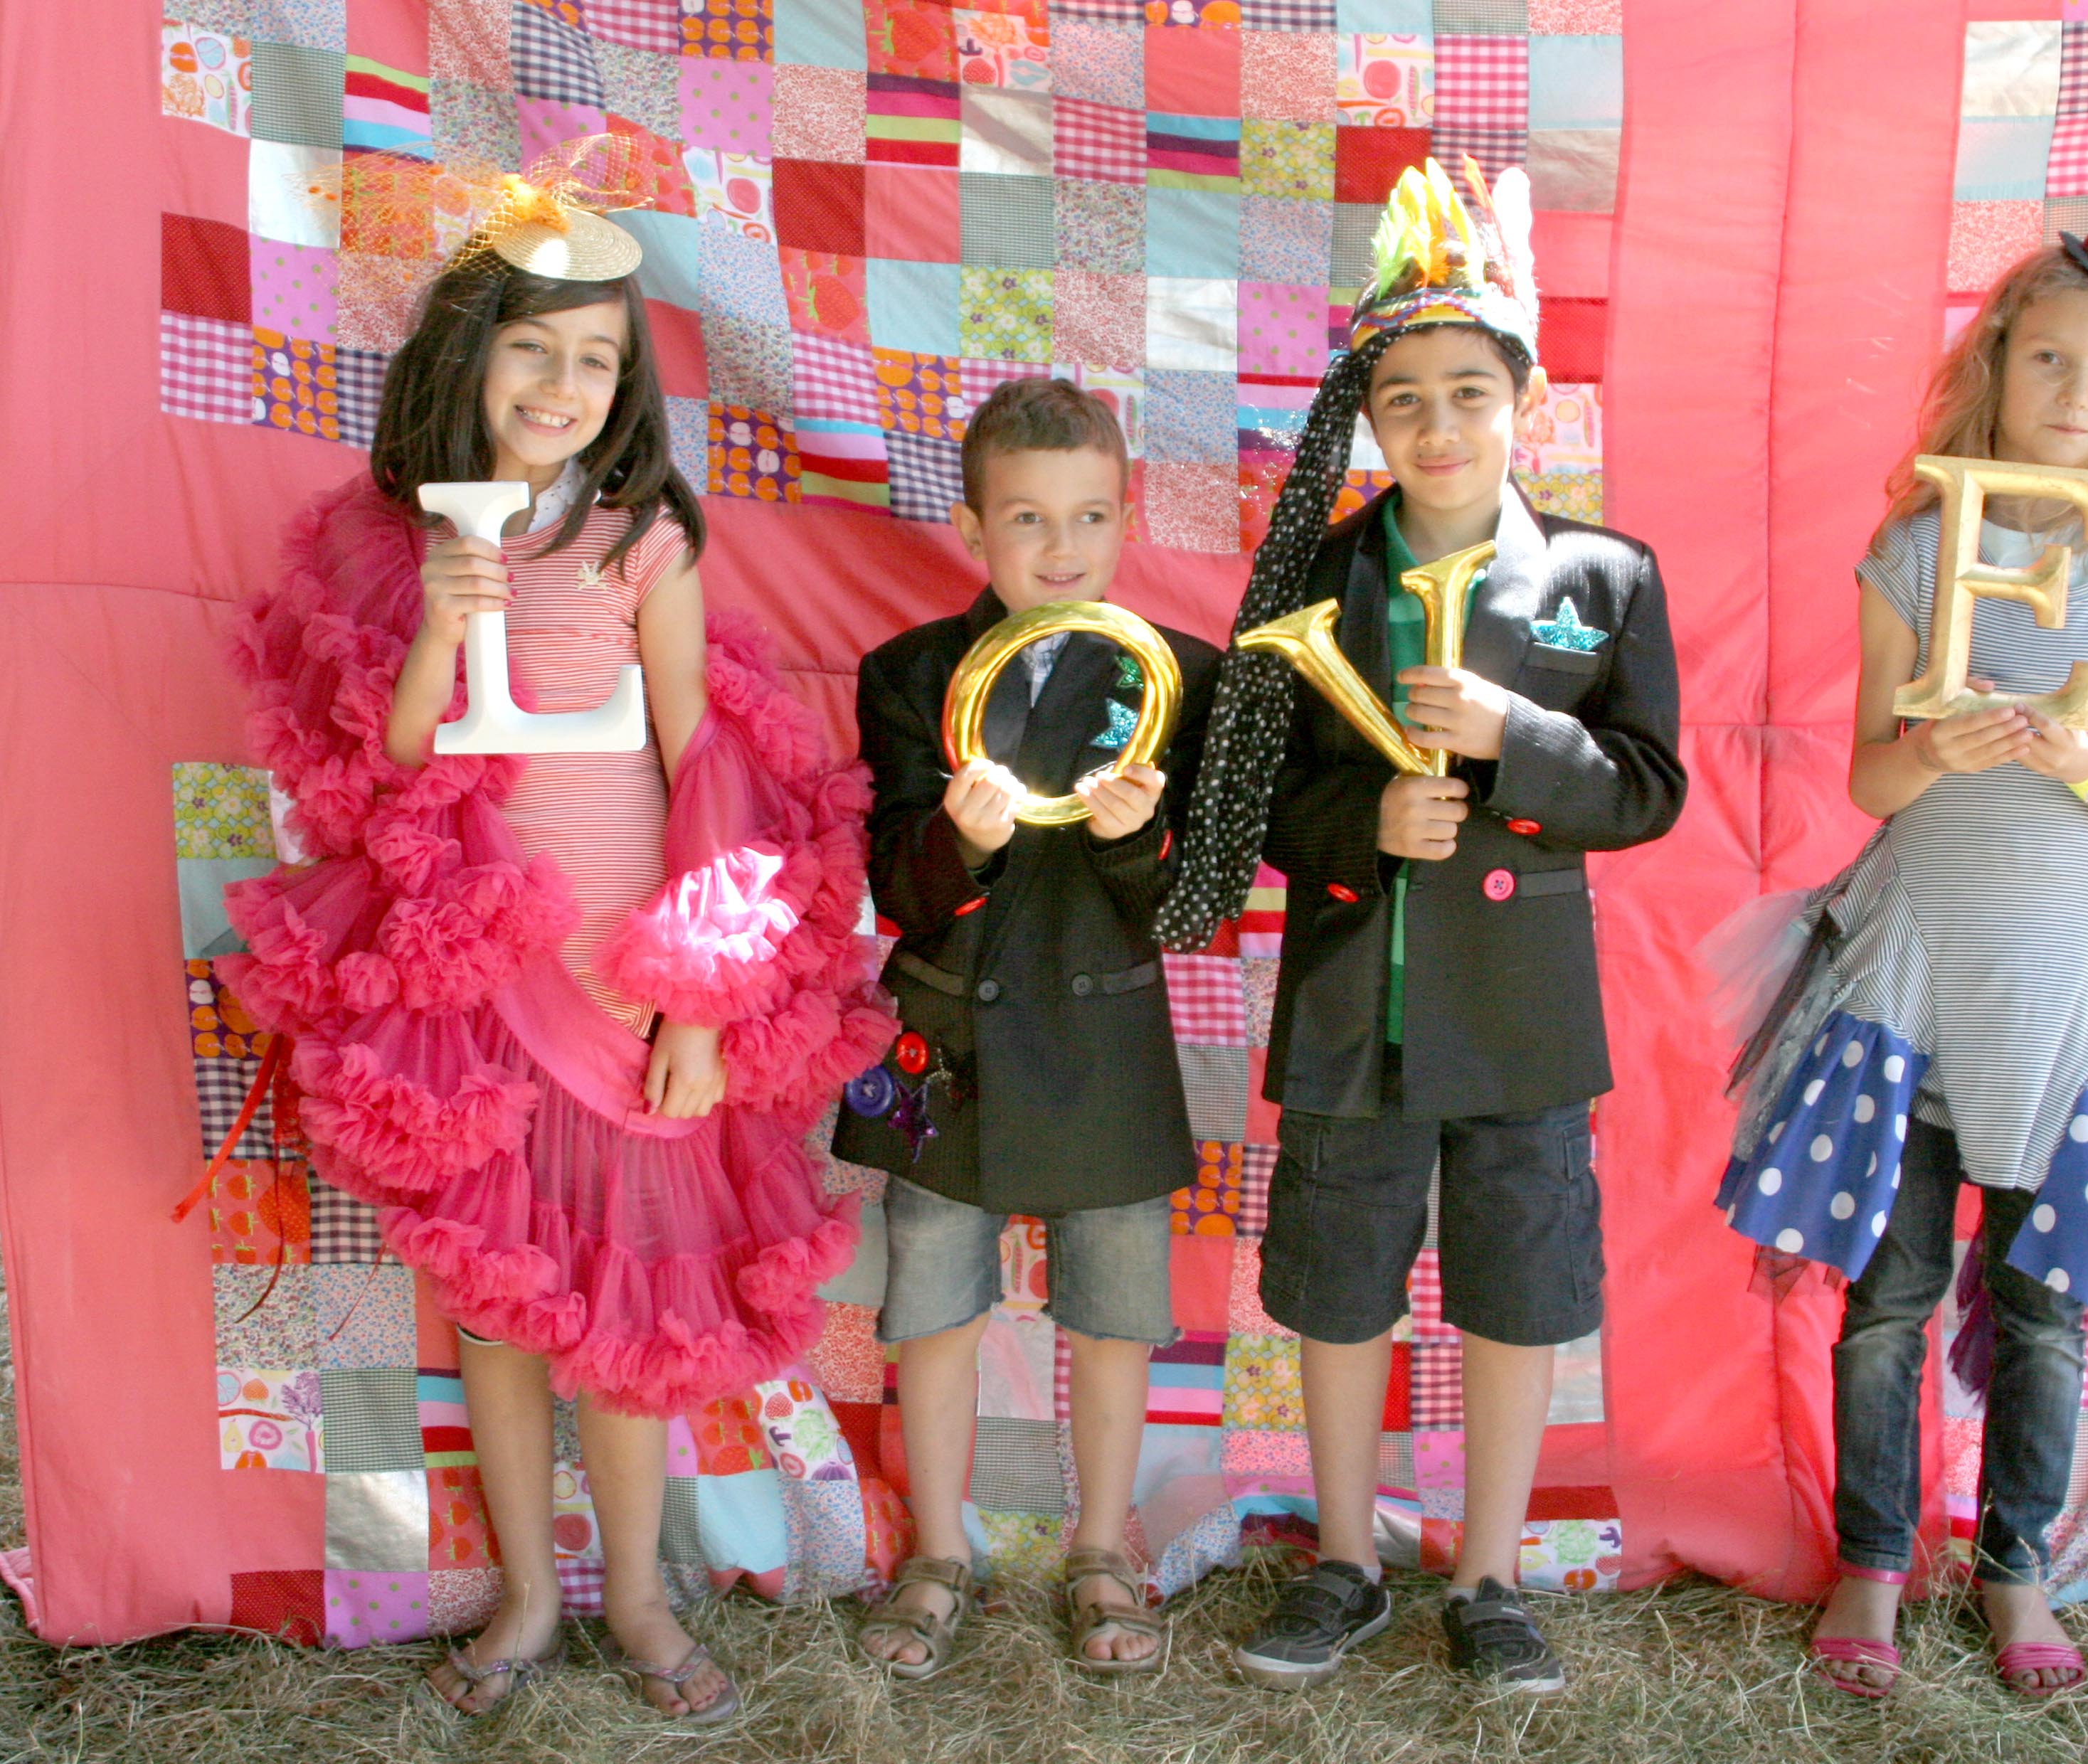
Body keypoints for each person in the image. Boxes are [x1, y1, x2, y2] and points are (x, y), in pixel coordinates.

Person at [216, 151, 894, 1723]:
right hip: (473, 982)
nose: (568, 381)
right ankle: (529, 1594)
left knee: (629, 1302)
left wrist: (700, 997)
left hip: (621, 966)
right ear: (468, 355)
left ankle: (642, 1600)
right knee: (504, 1306)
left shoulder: (643, 537)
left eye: (599, 355)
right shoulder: (386, 542)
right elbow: (381, 768)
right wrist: (446, 618)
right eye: (535, 345)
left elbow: (703, 761)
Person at [1158, 160, 1686, 1695]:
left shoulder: (1604, 579)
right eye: (1402, 399)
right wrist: (1361, 828)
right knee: (1338, 1284)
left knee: (1519, 1288)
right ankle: (1340, 1557)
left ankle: (1490, 1571)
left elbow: (1647, 791)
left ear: (1523, 397)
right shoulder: (1310, 576)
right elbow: (1251, 797)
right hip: (1350, 1008)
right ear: (1366, 419)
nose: (1438, 427)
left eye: (1469, 390)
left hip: (1519, 1017)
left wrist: (1518, 735)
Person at [1712, 213, 2088, 1699]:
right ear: (1994, 372)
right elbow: (1869, 780)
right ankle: (1875, 1555)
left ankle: (2015, 1565)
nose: (2073, 390)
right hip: (1914, 970)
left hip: (2068, 982)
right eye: (2046, 358)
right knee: (1886, 1288)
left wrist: (2072, 758)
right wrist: (1932, 743)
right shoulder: (1917, 548)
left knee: (2043, 1297)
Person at [834, 376, 1221, 1678]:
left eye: (1091, 518)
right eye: (1029, 520)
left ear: (1126, 519)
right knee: (929, 1310)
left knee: (1112, 1317)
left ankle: (1103, 1549)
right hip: (945, 1044)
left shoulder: (1182, 678)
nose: (1062, 551)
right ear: (972, 525)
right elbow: (894, 884)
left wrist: (1139, 844)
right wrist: (960, 842)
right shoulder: (907, 675)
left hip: (1106, 1036)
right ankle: (937, 1551)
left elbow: (1193, 904)